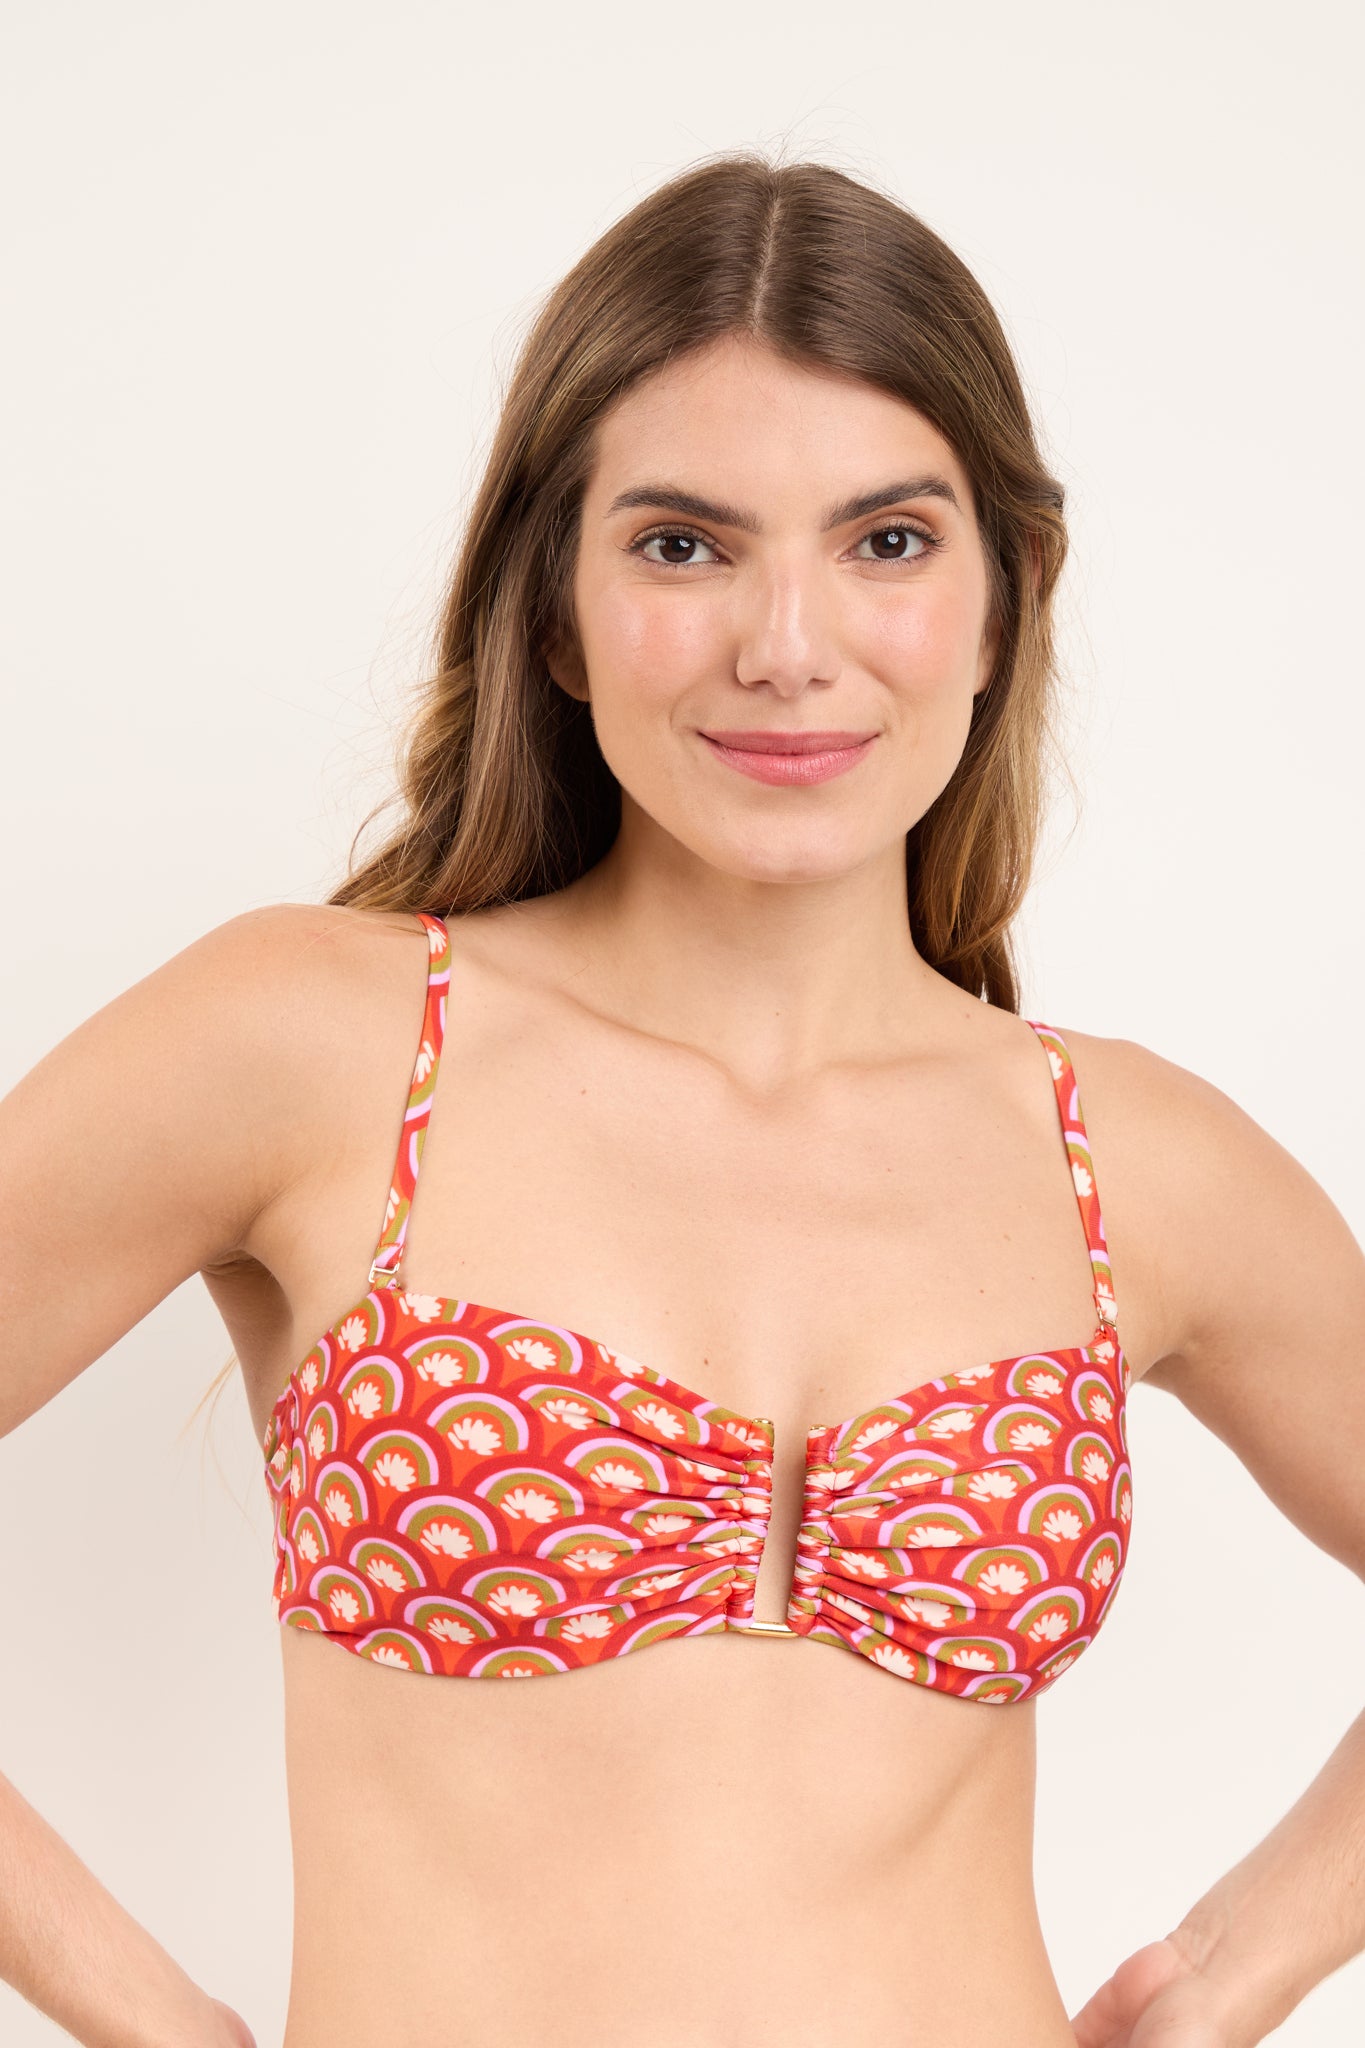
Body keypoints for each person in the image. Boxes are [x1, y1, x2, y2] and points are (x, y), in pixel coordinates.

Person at [2, 151, 1362, 2048]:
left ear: (1000, 604)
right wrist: (159, 2025)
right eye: (681, 546)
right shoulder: (315, 1047)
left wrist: (1240, 1962)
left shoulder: (1126, 1162)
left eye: (887, 542)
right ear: (554, 611)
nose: (785, 646)